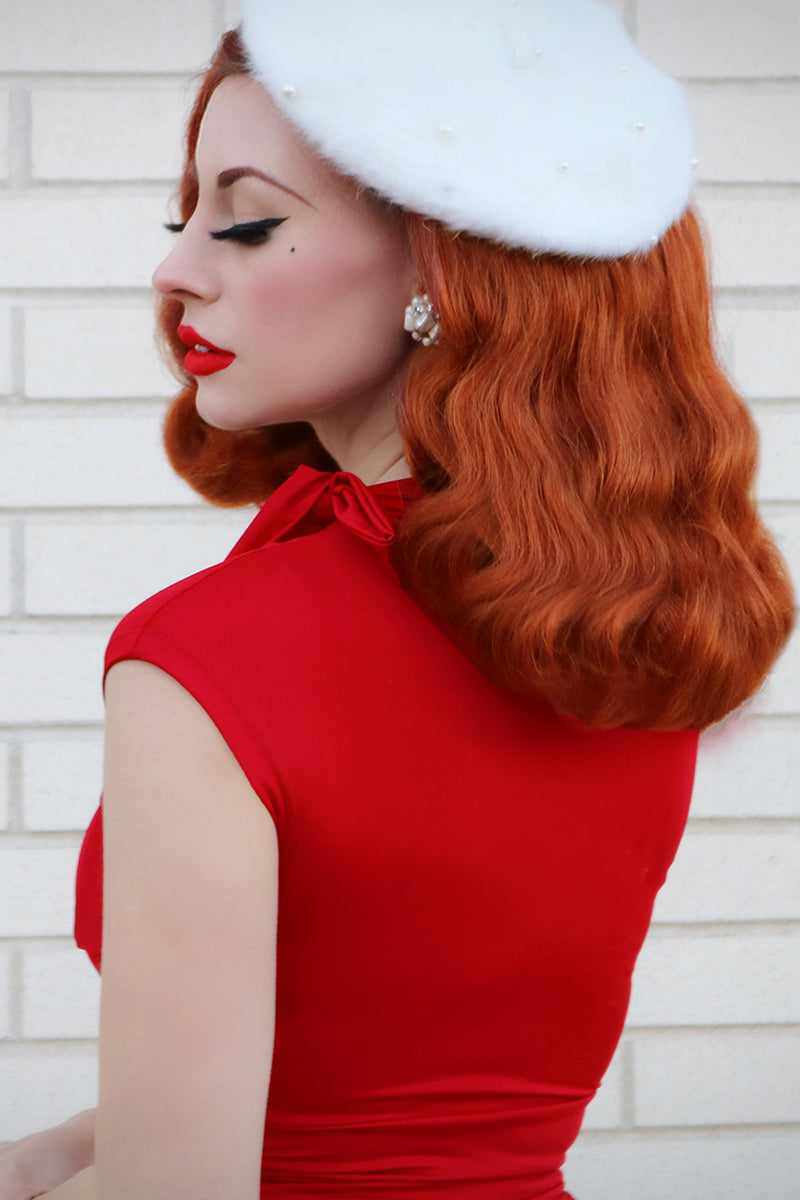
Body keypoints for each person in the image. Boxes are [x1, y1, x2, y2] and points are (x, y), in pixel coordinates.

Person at [0, 2, 793, 1198]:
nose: (172, 267)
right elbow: (360, 1093)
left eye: (248, 220)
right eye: (188, 216)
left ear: (438, 263)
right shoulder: (635, 621)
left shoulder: (207, 657)